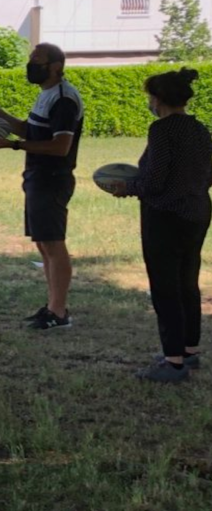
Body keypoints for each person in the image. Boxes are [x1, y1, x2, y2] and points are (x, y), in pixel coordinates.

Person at [107, 69, 211, 382]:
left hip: (165, 216)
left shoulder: (162, 130)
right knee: (187, 283)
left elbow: (154, 180)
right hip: (197, 212)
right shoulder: (200, 130)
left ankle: (173, 362)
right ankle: (189, 351)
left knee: (165, 288)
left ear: (158, 98)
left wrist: (127, 188)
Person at [0, 43, 84, 329]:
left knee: (53, 242)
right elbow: (29, 130)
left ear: (56, 67)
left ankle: (59, 313)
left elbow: (61, 146)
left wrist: (11, 146)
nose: (30, 65)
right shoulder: (47, 95)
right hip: (37, 176)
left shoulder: (64, 99)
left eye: (37, 60)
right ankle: (53, 307)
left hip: (52, 178)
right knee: (43, 243)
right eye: (30, 59)